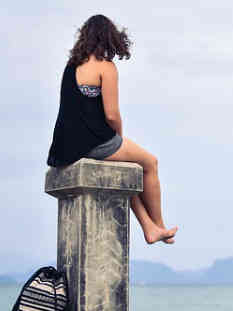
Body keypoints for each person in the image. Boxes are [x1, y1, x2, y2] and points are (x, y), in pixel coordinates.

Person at [46, 14, 178, 245]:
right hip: (93, 141)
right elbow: (111, 114)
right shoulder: (106, 67)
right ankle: (159, 225)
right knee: (150, 163)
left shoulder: (71, 68)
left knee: (127, 169)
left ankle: (148, 227)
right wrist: (119, 137)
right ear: (109, 39)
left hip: (65, 146)